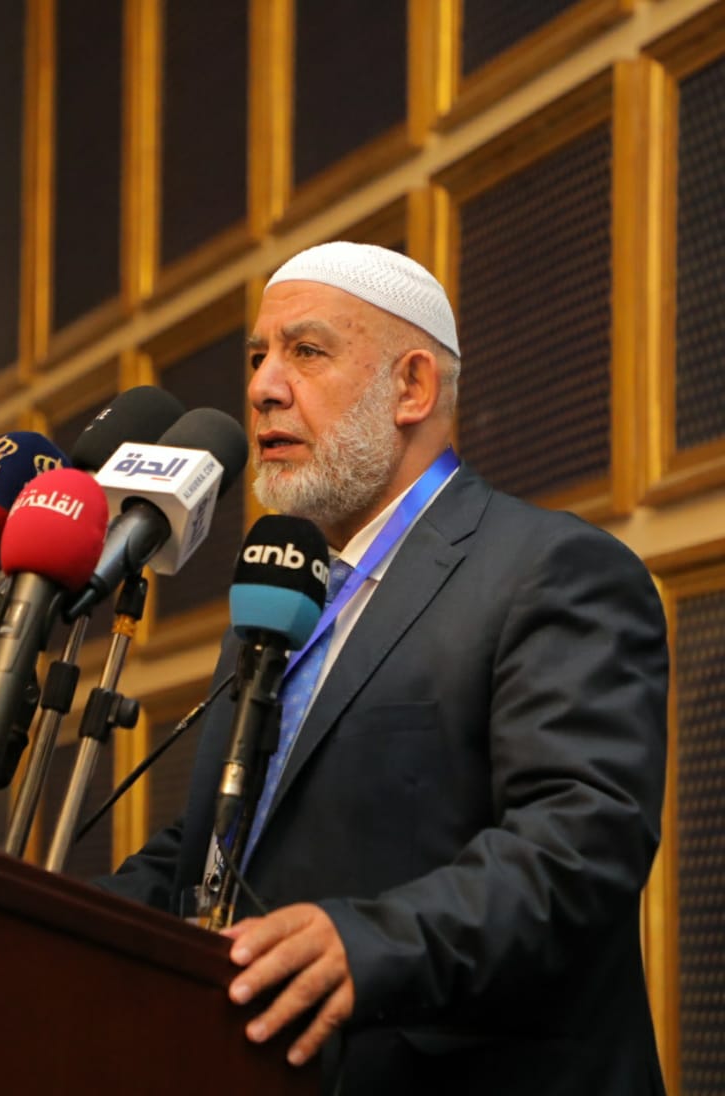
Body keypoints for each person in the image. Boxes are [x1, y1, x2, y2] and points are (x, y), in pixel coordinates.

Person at [97, 242, 669, 1095]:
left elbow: (578, 850)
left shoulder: (551, 570)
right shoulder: (283, 592)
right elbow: (227, 837)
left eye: (306, 351)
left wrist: (364, 947)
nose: (262, 387)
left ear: (412, 387)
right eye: (257, 356)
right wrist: (65, 925)